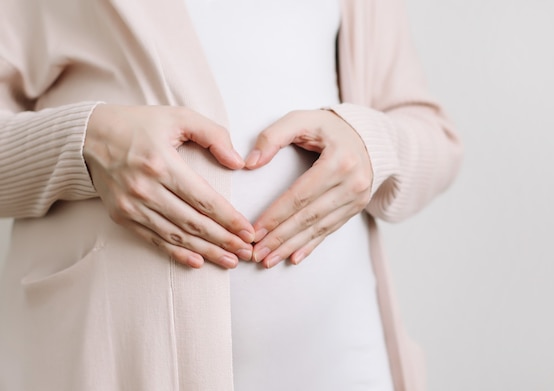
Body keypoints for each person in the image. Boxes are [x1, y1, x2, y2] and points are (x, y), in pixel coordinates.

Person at [0, 0, 462, 389]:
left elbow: (433, 136)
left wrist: (372, 147)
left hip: (343, 358)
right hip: (115, 362)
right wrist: (86, 140)